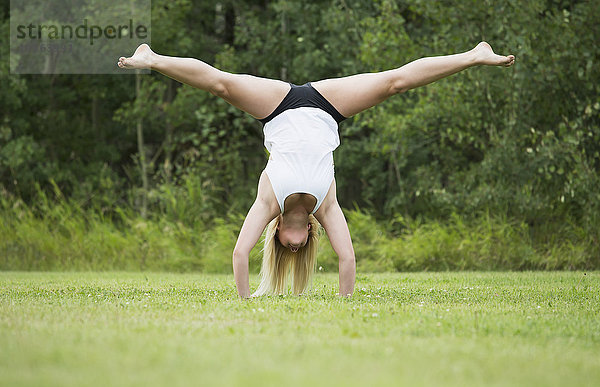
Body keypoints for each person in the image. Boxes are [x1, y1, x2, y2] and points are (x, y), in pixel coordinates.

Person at [118, 42, 515, 298]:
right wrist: (345, 304)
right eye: (302, 246)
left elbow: (240, 254)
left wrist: (241, 303)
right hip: (328, 108)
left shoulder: (268, 200)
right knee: (394, 83)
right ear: (310, 232)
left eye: (287, 247)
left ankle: (152, 59)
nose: (295, 246)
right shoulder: (326, 207)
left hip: (276, 107)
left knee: (221, 85)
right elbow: (347, 260)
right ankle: (473, 56)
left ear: (279, 234)